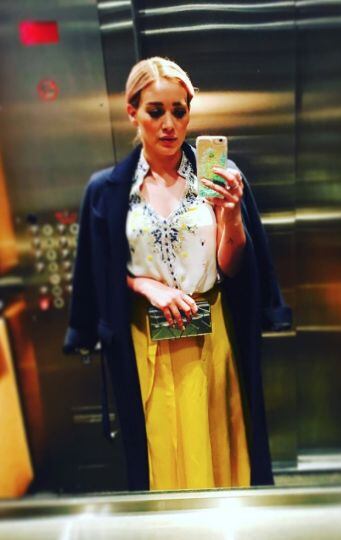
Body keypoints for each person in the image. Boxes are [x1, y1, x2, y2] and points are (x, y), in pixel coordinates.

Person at [64, 56, 292, 491]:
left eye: (179, 111)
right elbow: (100, 270)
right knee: (159, 452)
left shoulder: (220, 179)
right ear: (132, 112)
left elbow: (233, 268)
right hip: (145, 342)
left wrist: (231, 216)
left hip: (212, 334)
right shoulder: (109, 191)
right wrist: (143, 284)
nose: (169, 124)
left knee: (219, 445)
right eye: (155, 111)